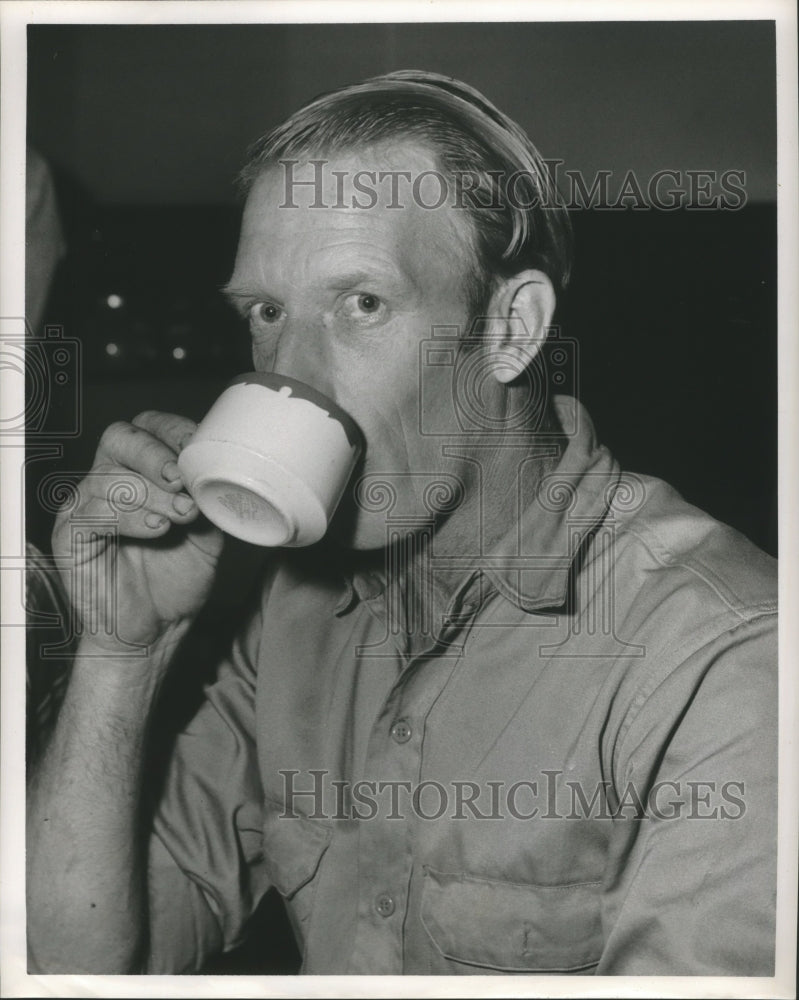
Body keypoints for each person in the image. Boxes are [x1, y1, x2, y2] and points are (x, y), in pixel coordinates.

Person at [26, 70, 777, 977]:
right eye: (268, 312)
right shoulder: (293, 611)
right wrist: (122, 655)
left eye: (363, 304)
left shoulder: (722, 659)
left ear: (511, 329)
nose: (291, 376)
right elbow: (78, 961)